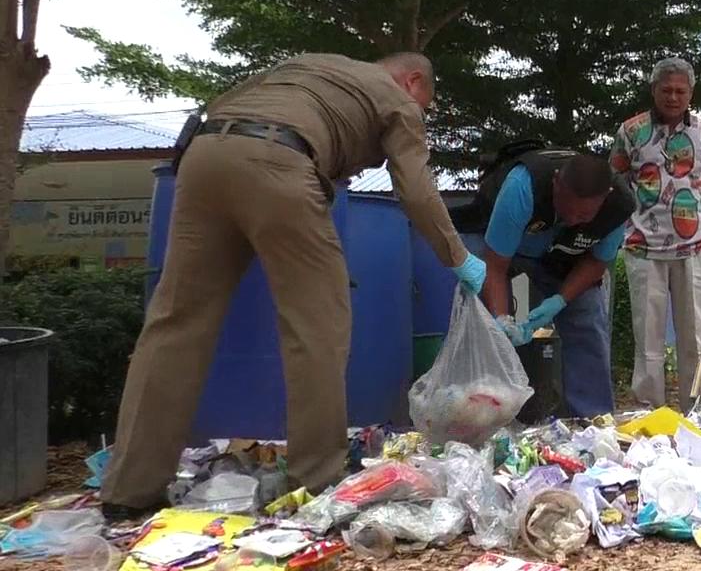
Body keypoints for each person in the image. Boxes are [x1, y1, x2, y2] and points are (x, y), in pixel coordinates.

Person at [100, 53, 485, 519]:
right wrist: (457, 256)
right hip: (280, 163)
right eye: (426, 102)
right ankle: (317, 481)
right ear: (413, 80)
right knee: (316, 328)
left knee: (174, 325)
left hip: (201, 158)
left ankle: (128, 490)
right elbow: (416, 190)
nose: (422, 112)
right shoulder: (396, 100)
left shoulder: (308, 67)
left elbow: (229, 103)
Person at [463, 149, 634, 418]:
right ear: (556, 183)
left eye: (584, 214)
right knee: (479, 309)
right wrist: (502, 319)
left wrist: (560, 301)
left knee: (587, 315)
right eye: (567, 208)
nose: (574, 218)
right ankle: (480, 415)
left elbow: (596, 263)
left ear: (606, 196)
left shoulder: (618, 206)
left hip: (562, 256)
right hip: (501, 243)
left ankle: (592, 417)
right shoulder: (522, 186)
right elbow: (494, 266)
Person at [610, 58, 701, 412]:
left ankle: (696, 407)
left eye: (681, 91)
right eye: (667, 90)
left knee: (694, 332)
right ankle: (650, 409)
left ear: (691, 93)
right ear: (654, 91)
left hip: (694, 246)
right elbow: (615, 181)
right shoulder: (631, 131)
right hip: (643, 244)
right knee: (647, 332)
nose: (673, 97)